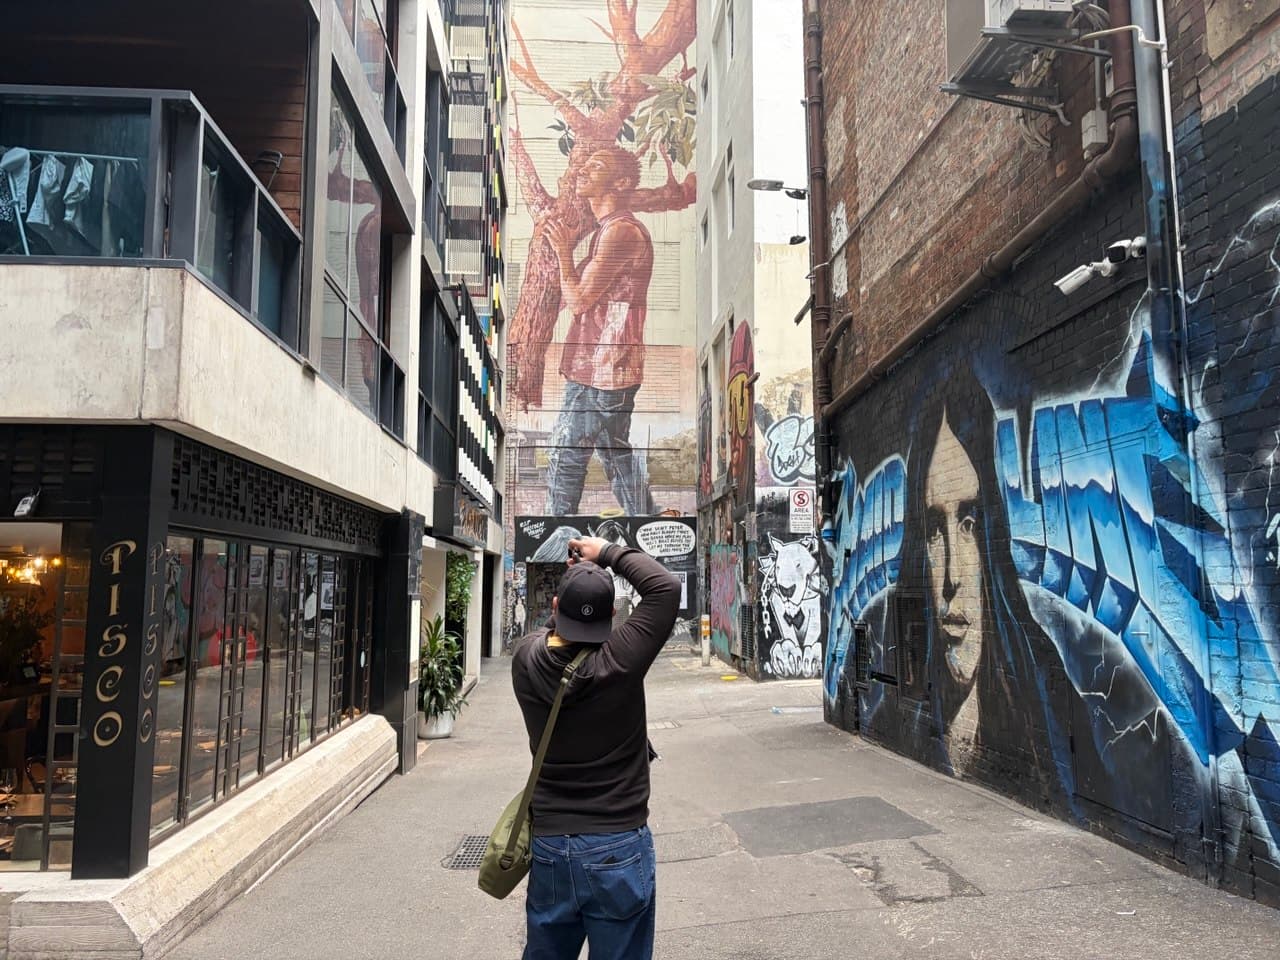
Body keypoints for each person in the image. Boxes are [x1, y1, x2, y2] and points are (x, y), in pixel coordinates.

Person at [511, 534, 680, 960]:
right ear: (612, 615)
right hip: (618, 844)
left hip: (551, 845)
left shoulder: (526, 660)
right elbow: (665, 587)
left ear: (553, 610)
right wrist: (604, 552)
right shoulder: (623, 659)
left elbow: (551, 637)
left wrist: (569, 601)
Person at [540, 146, 657, 516]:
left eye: (597, 166)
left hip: (600, 366)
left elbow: (578, 300)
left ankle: (555, 537)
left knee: (567, 452)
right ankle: (646, 523)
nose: (582, 171)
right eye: (584, 165)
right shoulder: (611, 230)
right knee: (615, 454)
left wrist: (561, 251)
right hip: (613, 365)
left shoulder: (621, 231)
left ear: (620, 182)